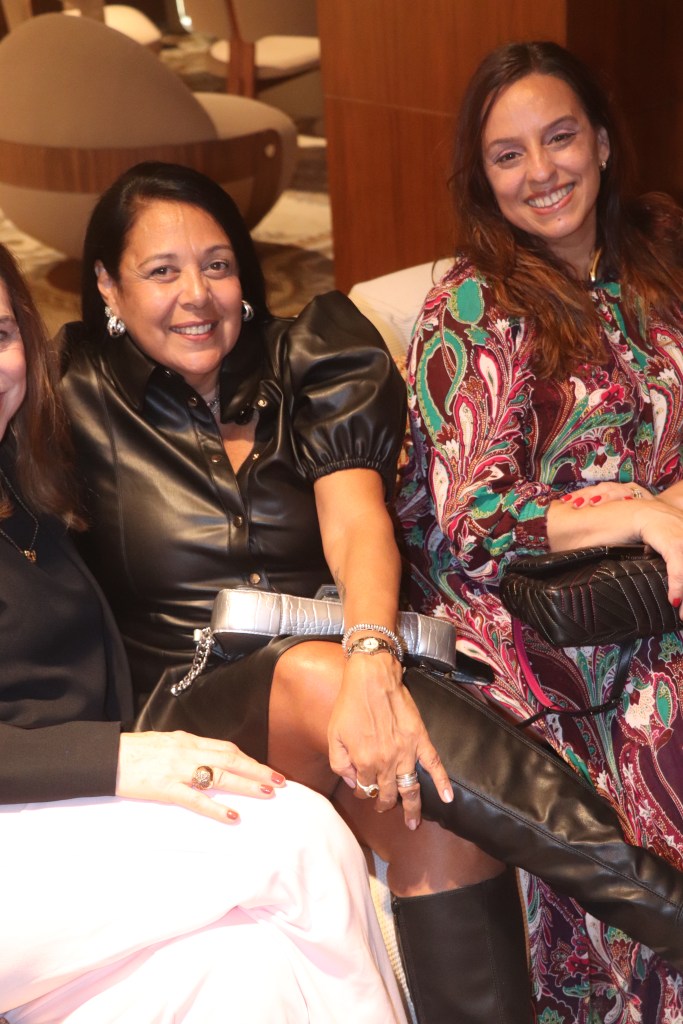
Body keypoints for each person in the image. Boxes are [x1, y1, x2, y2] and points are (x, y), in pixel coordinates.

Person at [59, 160, 683, 1024]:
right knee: (313, 673)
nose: (195, 296)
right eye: (161, 271)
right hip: (186, 704)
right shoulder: (72, 395)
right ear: (108, 285)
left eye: (216, 265)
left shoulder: (310, 354)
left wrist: (372, 661)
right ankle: (657, 903)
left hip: (342, 672)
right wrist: (356, 663)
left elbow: (356, 527)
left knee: (433, 816)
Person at [0, 241, 407, 1023]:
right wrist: (121, 757)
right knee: (297, 836)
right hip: (30, 829)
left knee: (243, 964)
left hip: (62, 822)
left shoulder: (28, 484)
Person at [397, 39, 683, 1022]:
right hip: (534, 626)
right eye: (507, 154)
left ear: (600, 141)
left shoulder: (658, 253)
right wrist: (635, 510)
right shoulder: (474, 303)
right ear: (481, 177)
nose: (540, 171)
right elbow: (470, 518)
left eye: (558, 138)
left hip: (656, 589)